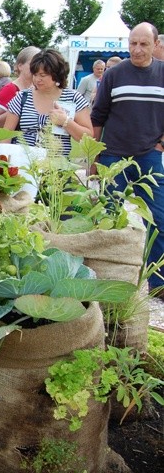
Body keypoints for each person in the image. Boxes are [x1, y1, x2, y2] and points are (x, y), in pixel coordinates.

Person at [91, 22, 164, 297]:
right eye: (133, 43)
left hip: (149, 156)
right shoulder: (114, 74)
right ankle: (105, 280)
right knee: (108, 216)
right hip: (113, 154)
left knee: (158, 218)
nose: (137, 49)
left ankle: (158, 282)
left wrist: (161, 145)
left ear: (155, 44)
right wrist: (94, 154)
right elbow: (98, 115)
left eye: (144, 44)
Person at [2, 48, 92, 155]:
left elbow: (88, 138)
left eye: (42, 75)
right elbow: (5, 136)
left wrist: (66, 122)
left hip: (57, 167)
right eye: (35, 74)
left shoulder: (73, 98)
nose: (37, 79)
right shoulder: (22, 97)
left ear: (56, 74)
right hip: (23, 164)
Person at [0, 46, 41, 127]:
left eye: (39, 64)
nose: (36, 67)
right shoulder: (10, 89)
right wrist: (16, 109)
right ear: (20, 66)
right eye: (32, 64)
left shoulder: (39, 89)